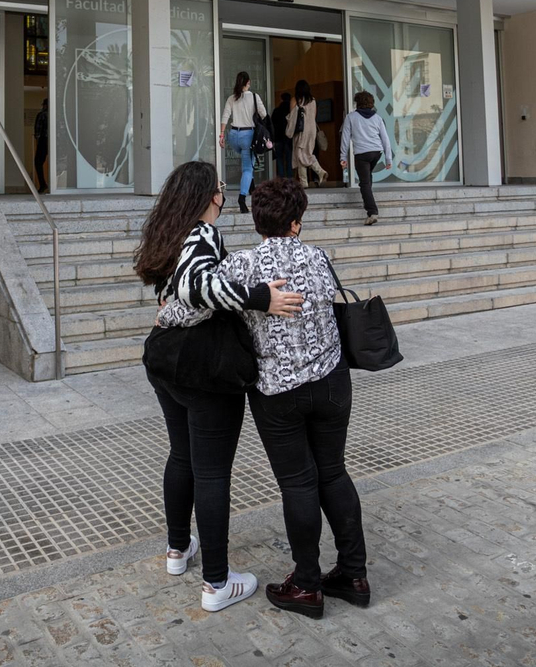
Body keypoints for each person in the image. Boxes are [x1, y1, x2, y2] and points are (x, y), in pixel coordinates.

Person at [134, 161, 304, 612]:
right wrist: (260, 297)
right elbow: (196, 287)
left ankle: (177, 550)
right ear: (212, 196)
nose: (224, 194)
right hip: (204, 367)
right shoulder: (203, 232)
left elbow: (178, 289)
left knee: (181, 456)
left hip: (164, 359)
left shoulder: (173, 231)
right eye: (221, 187)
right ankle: (216, 583)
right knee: (211, 472)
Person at [218, 178, 370, 619]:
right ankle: (354, 574)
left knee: (298, 483)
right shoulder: (319, 257)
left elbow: (203, 299)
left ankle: (306, 584)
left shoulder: (243, 264)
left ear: (256, 219)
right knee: (334, 474)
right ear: (297, 220)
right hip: (332, 381)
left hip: (278, 391)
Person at [339, 91, 394, 225]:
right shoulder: (378, 118)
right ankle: (369, 202)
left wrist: (343, 156)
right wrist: (388, 159)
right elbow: (385, 139)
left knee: (364, 183)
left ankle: (372, 212)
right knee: (367, 178)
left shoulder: (351, 117)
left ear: (357, 103)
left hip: (362, 154)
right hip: (376, 152)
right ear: (371, 103)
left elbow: (345, 138)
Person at [219, 72, 270, 213]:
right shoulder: (254, 97)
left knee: (247, 160)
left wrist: (222, 135)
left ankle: (251, 186)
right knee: (247, 168)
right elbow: (264, 114)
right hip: (248, 135)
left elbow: (225, 116)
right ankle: (242, 199)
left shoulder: (232, 98)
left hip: (233, 136)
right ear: (248, 82)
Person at [285, 80, 330, 188]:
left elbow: (292, 118)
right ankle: (304, 182)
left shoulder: (295, 100)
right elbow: (313, 117)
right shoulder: (313, 100)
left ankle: (319, 172)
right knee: (306, 153)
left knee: (300, 154)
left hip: (301, 131)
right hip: (311, 131)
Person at [272, 91, 295, 182]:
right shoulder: (292, 111)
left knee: (279, 160)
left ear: (281, 99)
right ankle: (290, 180)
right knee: (289, 160)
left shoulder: (276, 111)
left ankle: (281, 180)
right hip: (289, 139)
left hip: (278, 138)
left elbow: (272, 125)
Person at [33, 98, 49, 194]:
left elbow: (37, 132)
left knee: (38, 162)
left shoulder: (42, 115)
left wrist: (37, 139)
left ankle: (43, 184)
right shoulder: (57, 114)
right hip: (56, 142)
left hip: (44, 140)